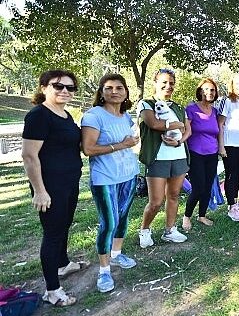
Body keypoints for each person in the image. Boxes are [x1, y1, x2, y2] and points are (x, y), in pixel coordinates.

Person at [22, 70, 83, 306]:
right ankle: (52, 290)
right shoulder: (39, 115)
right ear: (44, 87)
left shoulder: (65, 115)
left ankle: (63, 264)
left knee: (64, 225)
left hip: (69, 181)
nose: (65, 91)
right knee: (53, 233)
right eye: (58, 86)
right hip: (50, 186)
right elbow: (29, 156)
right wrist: (39, 190)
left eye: (70, 87)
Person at [81, 73, 139, 293]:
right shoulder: (93, 116)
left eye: (119, 88)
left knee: (122, 218)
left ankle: (116, 254)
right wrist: (121, 145)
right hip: (105, 178)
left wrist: (132, 142)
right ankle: (104, 270)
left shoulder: (126, 116)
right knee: (109, 222)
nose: (114, 92)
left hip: (129, 174)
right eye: (108, 88)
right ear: (101, 92)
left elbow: (132, 138)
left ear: (125, 92)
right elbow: (88, 149)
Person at [137, 68, 191, 246]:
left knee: (174, 195)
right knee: (156, 201)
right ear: (155, 83)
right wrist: (175, 124)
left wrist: (178, 141)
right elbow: (153, 123)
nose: (168, 86)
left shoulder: (178, 107)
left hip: (179, 156)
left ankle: (170, 230)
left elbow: (187, 130)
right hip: (157, 158)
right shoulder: (146, 104)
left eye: (171, 83)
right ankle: (144, 230)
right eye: (164, 82)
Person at [182, 78, 220, 231]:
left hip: (212, 153)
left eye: (212, 90)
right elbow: (186, 131)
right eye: (206, 89)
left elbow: (217, 132)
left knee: (208, 186)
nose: (209, 93)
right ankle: (186, 217)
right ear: (199, 91)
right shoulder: (191, 109)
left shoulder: (215, 111)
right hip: (196, 153)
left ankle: (202, 215)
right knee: (198, 188)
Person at [218, 73, 239, 221]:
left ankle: (236, 202)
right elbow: (220, 124)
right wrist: (221, 146)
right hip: (230, 144)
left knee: (238, 174)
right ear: (232, 85)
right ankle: (231, 206)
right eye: (238, 83)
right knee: (231, 175)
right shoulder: (227, 101)